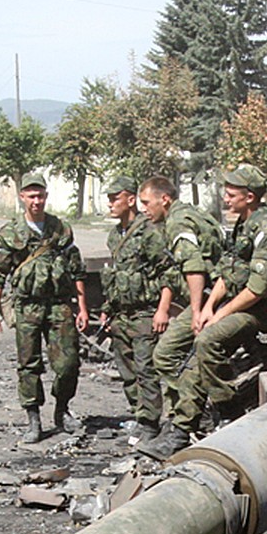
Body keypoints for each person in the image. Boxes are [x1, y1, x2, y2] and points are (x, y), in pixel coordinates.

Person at [140, 166, 267, 460]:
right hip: (234, 302)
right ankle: (181, 427)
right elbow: (226, 273)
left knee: (208, 340)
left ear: (249, 197)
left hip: (258, 310)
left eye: (232, 194)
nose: (225, 198)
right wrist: (208, 308)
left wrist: (218, 316)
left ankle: (228, 411)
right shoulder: (243, 225)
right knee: (196, 344)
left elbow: (257, 290)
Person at [0, 172, 89, 443]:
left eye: (40, 195)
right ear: (22, 197)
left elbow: (77, 270)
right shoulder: (10, 233)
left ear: (46, 196)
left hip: (59, 305)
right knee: (28, 365)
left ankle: (62, 409)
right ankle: (33, 420)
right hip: (27, 306)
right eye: (31, 195)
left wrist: (82, 307)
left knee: (68, 364)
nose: (37, 201)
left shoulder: (60, 229)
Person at [136, 175, 224, 459]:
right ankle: (183, 418)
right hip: (216, 294)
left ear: (164, 199)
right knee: (178, 356)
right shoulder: (193, 213)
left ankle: (186, 421)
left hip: (210, 297)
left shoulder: (177, 222)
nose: (144, 209)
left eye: (147, 203)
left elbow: (194, 267)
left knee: (165, 354)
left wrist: (198, 312)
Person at [100, 176, 180, 446]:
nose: (110, 203)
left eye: (115, 198)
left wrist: (163, 310)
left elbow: (168, 272)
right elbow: (117, 275)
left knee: (146, 369)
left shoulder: (148, 232)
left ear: (130, 200)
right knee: (127, 370)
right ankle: (138, 414)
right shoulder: (115, 236)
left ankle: (150, 422)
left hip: (145, 311)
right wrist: (107, 309)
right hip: (121, 313)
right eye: (109, 198)